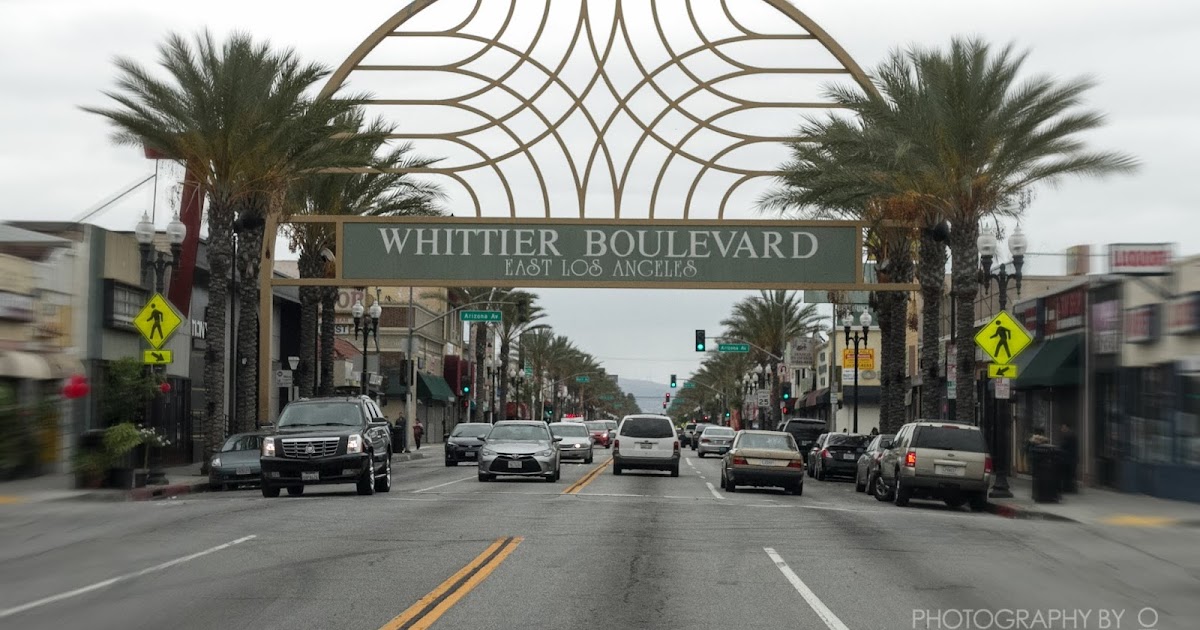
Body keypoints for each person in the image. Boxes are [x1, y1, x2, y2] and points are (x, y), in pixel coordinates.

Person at [1059, 424, 1079, 493]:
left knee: (1068, 474)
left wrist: (1059, 448)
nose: (1061, 429)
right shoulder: (1072, 434)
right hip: (1072, 458)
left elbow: (1063, 445)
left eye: (1062, 428)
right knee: (1071, 474)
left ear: (1066, 428)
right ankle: (1071, 488)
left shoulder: (1068, 435)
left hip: (1068, 459)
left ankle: (1068, 489)